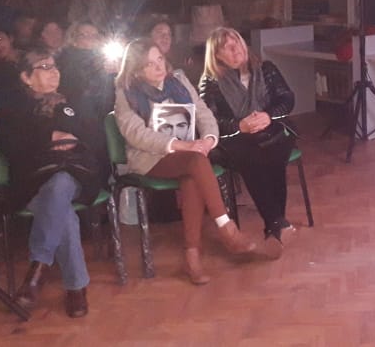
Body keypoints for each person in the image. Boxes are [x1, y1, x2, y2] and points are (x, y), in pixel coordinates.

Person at [114, 38, 258, 285]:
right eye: (149, 64)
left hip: (189, 155)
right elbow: (136, 134)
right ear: (136, 70)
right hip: (150, 158)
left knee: (192, 174)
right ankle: (227, 229)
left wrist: (209, 139)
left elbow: (203, 112)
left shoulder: (178, 81)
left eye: (160, 59)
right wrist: (181, 145)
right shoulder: (125, 92)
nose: (159, 67)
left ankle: (192, 257)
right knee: (195, 162)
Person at [0, 49, 109, 318]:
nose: (54, 72)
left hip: (76, 176)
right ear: (26, 77)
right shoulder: (14, 109)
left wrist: (73, 138)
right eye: (44, 67)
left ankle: (38, 269)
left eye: (55, 66)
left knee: (60, 184)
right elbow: (10, 147)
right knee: (63, 210)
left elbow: (96, 140)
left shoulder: (73, 103)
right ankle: (76, 288)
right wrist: (49, 136)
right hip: (33, 183)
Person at [198, 27, 297, 254]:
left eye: (237, 42)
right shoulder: (210, 82)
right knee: (251, 156)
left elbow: (287, 99)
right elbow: (209, 120)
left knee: (275, 150)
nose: (236, 49)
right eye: (227, 47)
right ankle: (277, 224)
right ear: (217, 56)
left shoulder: (266, 68)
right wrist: (239, 125)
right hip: (237, 139)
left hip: (271, 129)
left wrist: (268, 116)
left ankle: (274, 225)